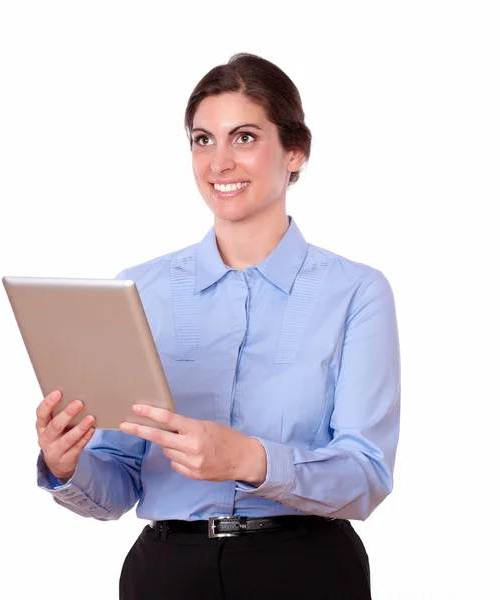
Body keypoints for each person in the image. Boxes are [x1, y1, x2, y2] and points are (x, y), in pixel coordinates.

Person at [35, 53, 401, 600]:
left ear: (295, 152)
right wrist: (68, 464)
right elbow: (116, 484)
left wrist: (249, 459)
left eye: (245, 137)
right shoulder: (139, 290)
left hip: (306, 571)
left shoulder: (355, 293)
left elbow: (366, 475)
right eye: (203, 140)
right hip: (166, 574)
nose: (220, 161)